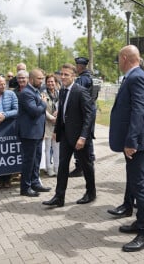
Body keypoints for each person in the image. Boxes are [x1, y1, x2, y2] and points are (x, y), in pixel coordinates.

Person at [109, 45, 144, 252]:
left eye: (118, 59)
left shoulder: (136, 77)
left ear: (124, 58)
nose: (118, 63)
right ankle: (140, 223)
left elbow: (139, 111)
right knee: (138, 182)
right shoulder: (137, 76)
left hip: (138, 142)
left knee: (140, 186)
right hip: (140, 140)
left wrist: (131, 142)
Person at [43, 63, 95, 208]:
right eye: (62, 74)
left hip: (80, 138)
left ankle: (91, 193)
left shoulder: (81, 91)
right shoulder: (63, 91)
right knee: (63, 166)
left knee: (86, 166)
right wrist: (56, 131)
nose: (63, 77)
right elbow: (62, 114)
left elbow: (89, 116)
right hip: (65, 136)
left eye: (67, 74)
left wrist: (83, 137)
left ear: (74, 76)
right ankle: (59, 197)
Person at [17, 68, 51, 197]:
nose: (42, 81)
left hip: (37, 132)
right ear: (31, 79)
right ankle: (25, 188)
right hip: (29, 133)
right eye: (39, 78)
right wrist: (43, 103)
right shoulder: (27, 93)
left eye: (42, 78)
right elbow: (34, 111)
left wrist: (41, 103)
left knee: (37, 159)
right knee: (29, 161)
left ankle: (35, 182)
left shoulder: (36, 91)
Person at [69, 57, 96, 178]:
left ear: (81, 66)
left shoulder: (83, 79)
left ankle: (83, 166)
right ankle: (83, 165)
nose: (76, 67)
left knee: (85, 138)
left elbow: (75, 92)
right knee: (85, 137)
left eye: (77, 65)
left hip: (84, 112)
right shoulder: (86, 77)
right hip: (87, 110)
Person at [42, 74, 59, 177]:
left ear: (55, 82)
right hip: (47, 124)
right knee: (48, 148)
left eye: (52, 81)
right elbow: (43, 108)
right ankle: (49, 168)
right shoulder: (43, 94)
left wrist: (58, 115)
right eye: (48, 81)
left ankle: (57, 168)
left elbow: (62, 106)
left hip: (57, 125)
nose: (50, 83)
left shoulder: (59, 93)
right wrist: (51, 118)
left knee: (57, 147)